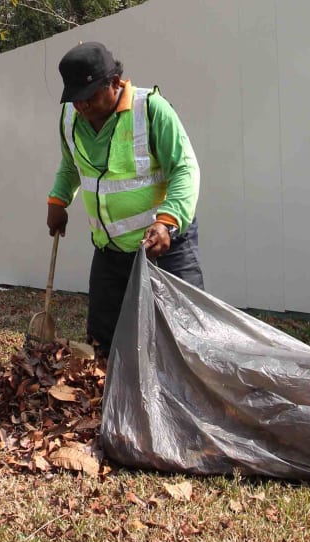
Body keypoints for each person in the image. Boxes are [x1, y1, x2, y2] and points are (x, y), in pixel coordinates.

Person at [46, 42, 204, 357]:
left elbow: (185, 170)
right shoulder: (70, 118)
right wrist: (58, 201)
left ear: (115, 83)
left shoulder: (151, 110)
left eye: (89, 97)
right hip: (110, 254)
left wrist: (167, 222)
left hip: (162, 249)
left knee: (184, 342)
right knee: (104, 344)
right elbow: (70, 164)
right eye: (75, 98)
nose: (82, 106)